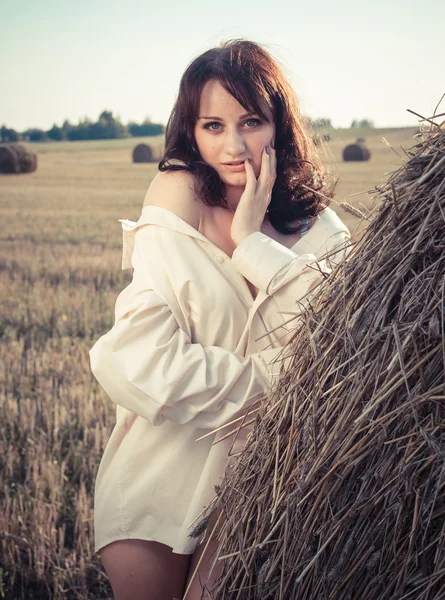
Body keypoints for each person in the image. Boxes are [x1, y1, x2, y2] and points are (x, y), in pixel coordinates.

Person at [89, 38, 351, 600]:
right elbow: (140, 365)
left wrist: (252, 243)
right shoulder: (177, 199)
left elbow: (342, 336)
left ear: (279, 123)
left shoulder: (323, 229)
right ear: (193, 132)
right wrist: (281, 383)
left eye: (250, 121)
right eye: (213, 125)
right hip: (160, 470)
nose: (233, 146)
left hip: (261, 484)